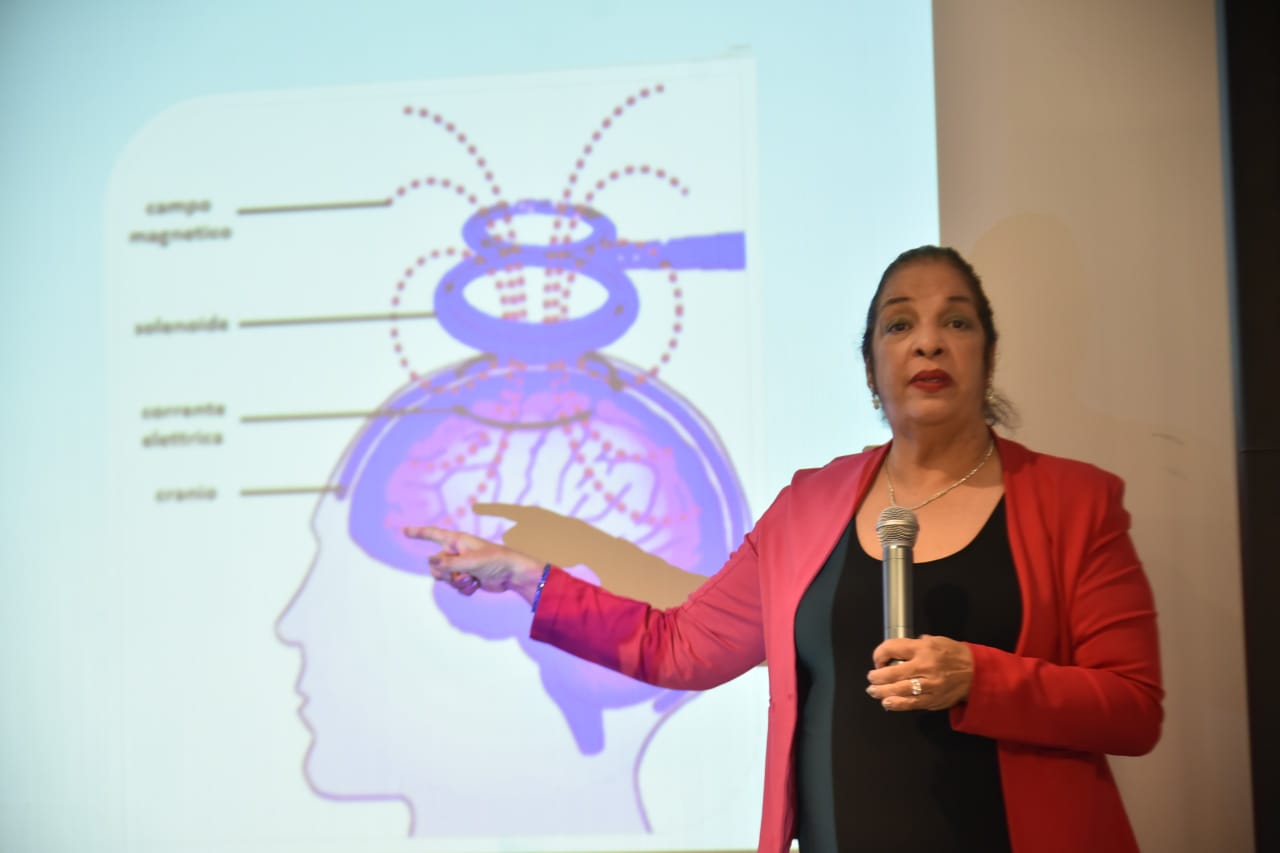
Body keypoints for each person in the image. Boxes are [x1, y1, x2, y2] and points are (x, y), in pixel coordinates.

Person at [404, 245, 1164, 853]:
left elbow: (1133, 709)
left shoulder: (1075, 503)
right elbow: (677, 647)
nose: (928, 340)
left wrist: (979, 676)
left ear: (988, 357)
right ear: (871, 368)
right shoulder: (809, 507)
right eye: (899, 324)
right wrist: (529, 577)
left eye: (956, 322)